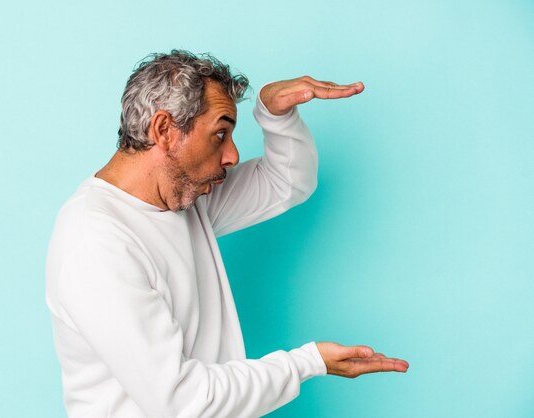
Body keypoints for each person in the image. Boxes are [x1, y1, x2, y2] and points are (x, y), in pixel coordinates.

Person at [46, 50, 409, 418]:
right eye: (220, 133)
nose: (232, 155)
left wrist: (275, 115)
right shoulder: (96, 243)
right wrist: (307, 362)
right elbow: (183, 401)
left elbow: (286, 182)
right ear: (164, 131)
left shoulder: (185, 200)